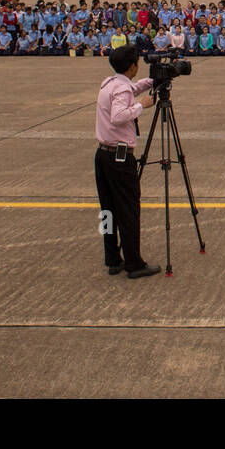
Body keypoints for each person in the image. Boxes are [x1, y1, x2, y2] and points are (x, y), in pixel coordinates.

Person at [93, 45, 160, 279]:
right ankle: (134, 263)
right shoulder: (122, 89)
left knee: (108, 210)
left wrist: (152, 81)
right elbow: (119, 116)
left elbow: (131, 88)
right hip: (119, 157)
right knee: (128, 210)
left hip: (103, 155)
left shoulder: (110, 83)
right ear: (132, 66)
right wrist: (143, 105)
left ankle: (112, 258)